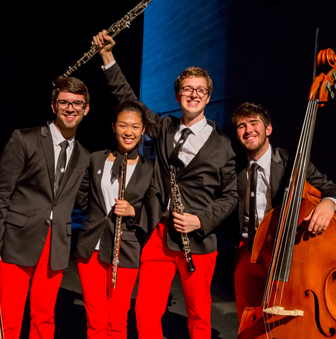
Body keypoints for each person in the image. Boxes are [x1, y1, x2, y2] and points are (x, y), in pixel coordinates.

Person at [92, 30, 238, 339]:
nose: (193, 94)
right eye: (187, 89)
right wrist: (107, 56)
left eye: (200, 90)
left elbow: (230, 196)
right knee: (145, 310)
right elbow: (128, 99)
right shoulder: (165, 127)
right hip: (160, 234)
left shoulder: (223, 144)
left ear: (208, 97)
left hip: (198, 241)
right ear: (178, 95)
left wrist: (202, 219)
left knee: (198, 316)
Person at [0, 76, 92, 339]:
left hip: (56, 246)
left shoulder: (85, 156)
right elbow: (0, 196)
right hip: (16, 242)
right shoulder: (24, 139)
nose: (71, 108)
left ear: (86, 109)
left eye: (77, 104)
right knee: (7, 318)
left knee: (44, 319)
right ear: (53, 106)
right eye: (64, 102)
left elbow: (88, 202)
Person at [229, 102, 336, 321]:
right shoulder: (233, 165)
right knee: (247, 317)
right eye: (241, 125)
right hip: (247, 250)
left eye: (254, 123)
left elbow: (335, 191)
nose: (248, 130)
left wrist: (330, 203)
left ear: (268, 129)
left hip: (283, 252)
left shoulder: (293, 162)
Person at [74, 101, 155, 339]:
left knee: (117, 320)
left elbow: (154, 208)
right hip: (92, 247)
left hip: (126, 249)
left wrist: (133, 211)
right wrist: (94, 217)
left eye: (135, 127)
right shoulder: (96, 159)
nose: (128, 132)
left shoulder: (149, 169)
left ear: (143, 130)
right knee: (96, 319)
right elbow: (83, 193)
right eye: (123, 125)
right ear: (113, 127)